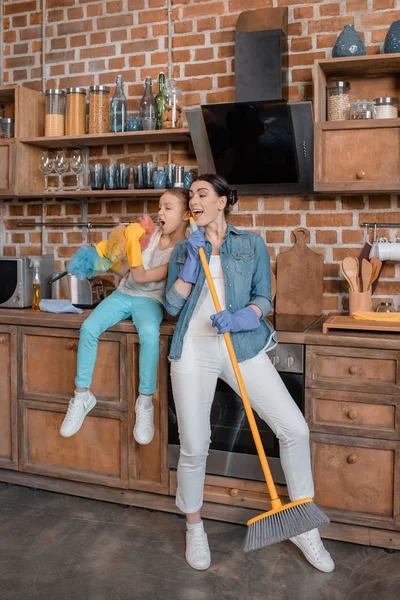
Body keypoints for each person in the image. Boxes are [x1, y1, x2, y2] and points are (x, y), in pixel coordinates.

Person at [164, 174, 334, 573]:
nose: (194, 201)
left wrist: (245, 317)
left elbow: (263, 297)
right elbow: (172, 306)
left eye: (202, 194)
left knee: (295, 429)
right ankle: (194, 526)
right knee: (194, 442)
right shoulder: (186, 247)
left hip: (241, 345)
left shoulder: (250, 243)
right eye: (190, 196)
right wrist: (190, 264)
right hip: (193, 349)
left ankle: (304, 525)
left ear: (223, 202)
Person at [60, 188, 190, 445]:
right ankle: (82, 395)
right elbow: (128, 273)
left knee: (150, 335)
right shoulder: (150, 236)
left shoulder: (181, 252)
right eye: (159, 206)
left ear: (186, 214)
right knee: (88, 328)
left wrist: (130, 242)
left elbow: (143, 277)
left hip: (150, 300)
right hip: (123, 295)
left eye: (167, 207)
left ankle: (144, 402)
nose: (160, 212)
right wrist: (105, 259)